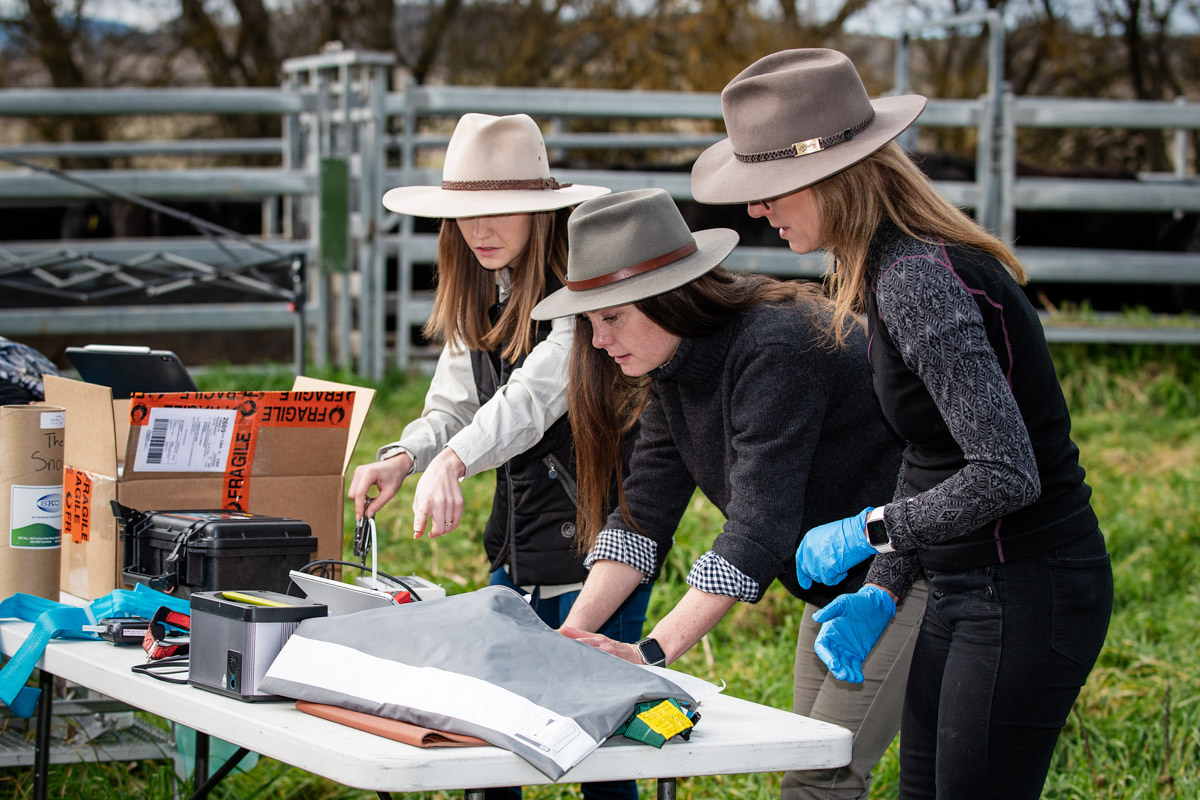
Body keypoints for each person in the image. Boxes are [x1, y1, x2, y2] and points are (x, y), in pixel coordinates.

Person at [690, 49, 1114, 800]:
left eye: (768, 190)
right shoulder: (885, 269)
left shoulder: (917, 278)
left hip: (1026, 584)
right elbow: (931, 452)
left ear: (828, 177)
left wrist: (871, 530)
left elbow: (1006, 471)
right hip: (963, 583)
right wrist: (886, 586)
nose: (756, 209)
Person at [532, 187, 926, 800]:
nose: (599, 340)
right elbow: (642, 517)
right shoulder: (674, 368)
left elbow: (758, 531)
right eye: (590, 322)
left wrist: (650, 653)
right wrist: (568, 641)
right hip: (833, 582)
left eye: (612, 317)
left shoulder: (776, 347)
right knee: (813, 755)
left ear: (667, 299)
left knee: (822, 773)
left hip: (908, 571)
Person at [345, 113, 643, 800]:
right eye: (465, 214)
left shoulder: (583, 292)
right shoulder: (482, 290)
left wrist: (450, 462)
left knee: (600, 750)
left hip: (601, 546)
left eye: (499, 210)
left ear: (541, 212)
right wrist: (402, 457)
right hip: (517, 546)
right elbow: (451, 404)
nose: (480, 229)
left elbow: (535, 398)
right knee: (486, 743)